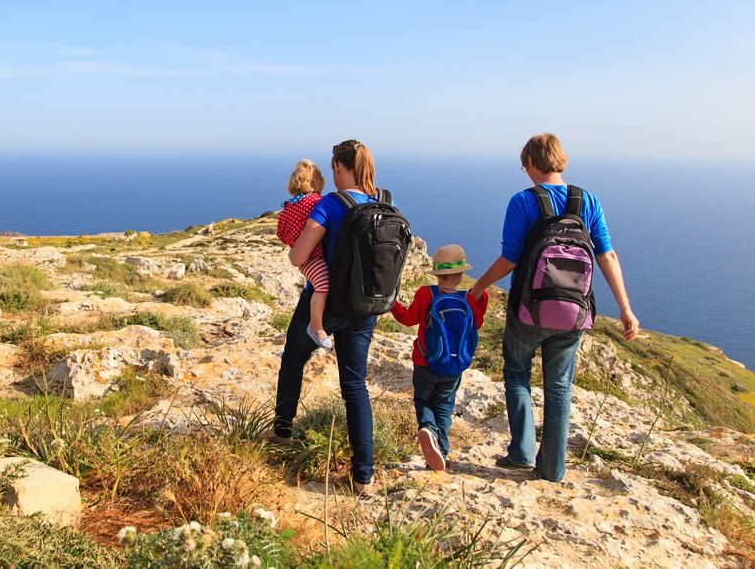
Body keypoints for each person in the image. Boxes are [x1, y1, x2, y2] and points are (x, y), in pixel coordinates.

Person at [469, 133, 639, 482]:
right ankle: (553, 469)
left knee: (517, 373)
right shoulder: (587, 200)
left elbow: (510, 259)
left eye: (524, 165)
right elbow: (606, 254)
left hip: (529, 310)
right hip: (574, 313)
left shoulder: (523, 201)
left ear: (531, 162)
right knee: (559, 386)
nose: (525, 171)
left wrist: (479, 286)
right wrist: (625, 308)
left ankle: (521, 453)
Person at [269, 140, 383, 495]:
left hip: (327, 301)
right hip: (364, 306)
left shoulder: (331, 204)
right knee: (354, 385)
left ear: (338, 168)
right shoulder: (382, 201)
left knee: (293, 359)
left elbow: (297, 255)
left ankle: (282, 431)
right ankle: (364, 477)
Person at [391, 244, 488, 471]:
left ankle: (427, 427)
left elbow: (408, 319)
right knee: (444, 405)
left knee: (423, 400)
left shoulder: (426, 294)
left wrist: (392, 304)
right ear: (461, 275)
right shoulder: (468, 299)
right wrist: (481, 298)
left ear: (436, 274)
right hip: (454, 366)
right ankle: (441, 451)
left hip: (425, 362)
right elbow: (478, 324)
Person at [276, 160, 333, 351]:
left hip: (304, 260)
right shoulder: (317, 202)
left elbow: (281, 234)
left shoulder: (287, 208)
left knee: (318, 284)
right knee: (323, 286)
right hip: (314, 256)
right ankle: (316, 326)